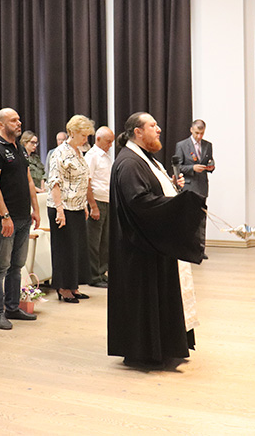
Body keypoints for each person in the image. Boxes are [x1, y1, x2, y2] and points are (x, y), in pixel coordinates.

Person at [108, 112, 207, 369]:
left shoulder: (145, 159)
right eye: (153, 125)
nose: (159, 129)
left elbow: (150, 191)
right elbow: (140, 203)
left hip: (152, 247)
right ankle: (146, 351)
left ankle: (164, 346)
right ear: (138, 132)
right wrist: (180, 204)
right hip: (140, 249)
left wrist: (170, 186)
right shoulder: (129, 163)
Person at [0, 108, 40, 330]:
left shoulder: (20, 149)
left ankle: (13, 307)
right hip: (4, 219)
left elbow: (28, 180)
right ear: (1, 124)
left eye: (19, 119)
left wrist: (35, 209)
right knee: (1, 267)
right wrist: (5, 216)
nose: (19, 122)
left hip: (23, 216)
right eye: (13, 120)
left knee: (17, 265)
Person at [47, 115, 95, 303]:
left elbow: (82, 181)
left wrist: (84, 206)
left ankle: (73, 286)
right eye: (83, 135)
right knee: (64, 249)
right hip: (63, 207)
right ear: (72, 132)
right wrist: (59, 209)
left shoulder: (78, 152)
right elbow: (55, 182)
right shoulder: (60, 153)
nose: (85, 139)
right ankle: (63, 288)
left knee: (77, 249)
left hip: (76, 207)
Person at [85, 126, 114, 288]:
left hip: (107, 201)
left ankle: (102, 272)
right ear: (98, 139)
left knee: (105, 241)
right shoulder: (92, 156)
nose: (110, 145)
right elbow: (87, 182)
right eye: (108, 141)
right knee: (94, 242)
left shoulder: (106, 156)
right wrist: (93, 206)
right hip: (97, 201)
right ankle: (93, 276)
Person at [174, 119, 215, 198]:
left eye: (202, 133)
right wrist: (192, 168)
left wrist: (210, 167)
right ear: (191, 130)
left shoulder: (208, 145)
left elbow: (209, 161)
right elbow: (177, 167)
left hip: (202, 187)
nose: (199, 136)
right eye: (197, 133)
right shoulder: (182, 145)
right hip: (188, 186)